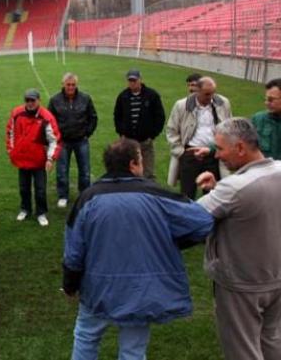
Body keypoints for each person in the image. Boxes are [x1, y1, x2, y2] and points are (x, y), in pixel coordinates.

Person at [63, 138, 213, 360]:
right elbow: (202, 221)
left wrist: (70, 283)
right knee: (133, 349)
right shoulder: (156, 195)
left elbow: (73, 251)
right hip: (140, 290)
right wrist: (169, 241)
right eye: (141, 160)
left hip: (98, 289)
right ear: (133, 164)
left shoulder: (88, 198)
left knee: (86, 336)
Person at [196, 117, 281, 360]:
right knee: (272, 341)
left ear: (241, 148)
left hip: (242, 283)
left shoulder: (235, 188)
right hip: (276, 277)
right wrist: (217, 190)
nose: (217, 155)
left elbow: (192, 218)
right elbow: (252, 205)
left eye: (220, 148)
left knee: (242, 350)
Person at [166, 77, 232, 199]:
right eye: (207, 94)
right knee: (187, 195)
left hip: (213, 154)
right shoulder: (181, 105)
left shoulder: (223, 103)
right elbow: (171, 130)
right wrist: (181, 153)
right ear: (197, 91)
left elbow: (229, 128)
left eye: (213, 93)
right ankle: (186, 217)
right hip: (190, 156)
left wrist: (219, 150)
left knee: (213, 195)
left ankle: (210, 218)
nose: (211, 97)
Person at [6, 88, 61, 227]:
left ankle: (41, 213)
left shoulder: (46, 117)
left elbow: (54, 140)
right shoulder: (16, 113)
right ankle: (25, 209)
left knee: (40, 189)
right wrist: (12, 151)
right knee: (23, 188)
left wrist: (50, 159)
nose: (30, 103)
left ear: (39, 101)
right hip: (23, 159)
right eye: (27, 100)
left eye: (33, 100)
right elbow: (10, 132)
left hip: (39, 161)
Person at [48, 72, 97, 208]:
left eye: (73, 85)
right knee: (62, 170)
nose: (71, 87)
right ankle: (63, 196)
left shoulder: (85, 98)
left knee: (85, 170)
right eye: (68, 84)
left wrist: (87, 133)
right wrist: (56, 137)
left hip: (81, 140)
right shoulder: (54, 100)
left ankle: (84, 194)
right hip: (63, 142)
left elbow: (93, 117)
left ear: (76, 85)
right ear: (63, 84)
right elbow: (49, 121)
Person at [113, 69, 165, 180]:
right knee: (128, 170)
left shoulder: (152, 95)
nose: (132, 83)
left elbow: (160, 116)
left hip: (146, 141)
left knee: (148, 172)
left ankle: (148, 194)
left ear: (140, 80)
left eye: (134, 80)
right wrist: (121, 132)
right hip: (128, 142)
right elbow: (117, 116)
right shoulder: (123, 96)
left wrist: (153, 135)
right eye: (130, 80)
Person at [252, 78, 281, 160]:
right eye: (266, 99)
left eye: (271, 100)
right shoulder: (257, 119)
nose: (266, 103)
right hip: (263, 171)